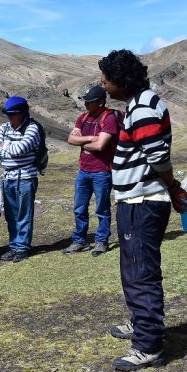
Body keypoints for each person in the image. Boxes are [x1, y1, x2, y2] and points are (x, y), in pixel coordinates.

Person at [99, 49, 187, 371]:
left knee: (140, 272)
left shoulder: (144, 109)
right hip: (134, 200)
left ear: (121, 81)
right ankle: (141, 323)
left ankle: (148, 345)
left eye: (106, 79)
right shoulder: (138, 105)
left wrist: (174, 185)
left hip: (142, 200)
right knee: (134, 268)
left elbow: (158, 158)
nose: (103, 85)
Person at [64, 85, 119, 256]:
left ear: (101, 103)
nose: (86, 105)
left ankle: (101, 241)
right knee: (79, 208)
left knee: (102, 209)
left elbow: (101, 145)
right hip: (84, 170)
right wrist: (89, 138)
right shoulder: (83, 118)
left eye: (90, 102)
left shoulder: (109, 118)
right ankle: (79, 240)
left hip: (102, 171)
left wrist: (82, 141)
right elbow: (71, 139)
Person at [0, 96, 42, 262]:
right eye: (8, 114)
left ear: (22, 113)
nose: (10, 117)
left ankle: (22, 247)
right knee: (11, 215)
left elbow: (20, 149)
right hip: (8, 177)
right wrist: (7, 149)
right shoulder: (4, 127)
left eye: (13, 114)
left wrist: (5, 147)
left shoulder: (32, 128)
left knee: (24, 214)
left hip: (26, 176)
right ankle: (14, 246)